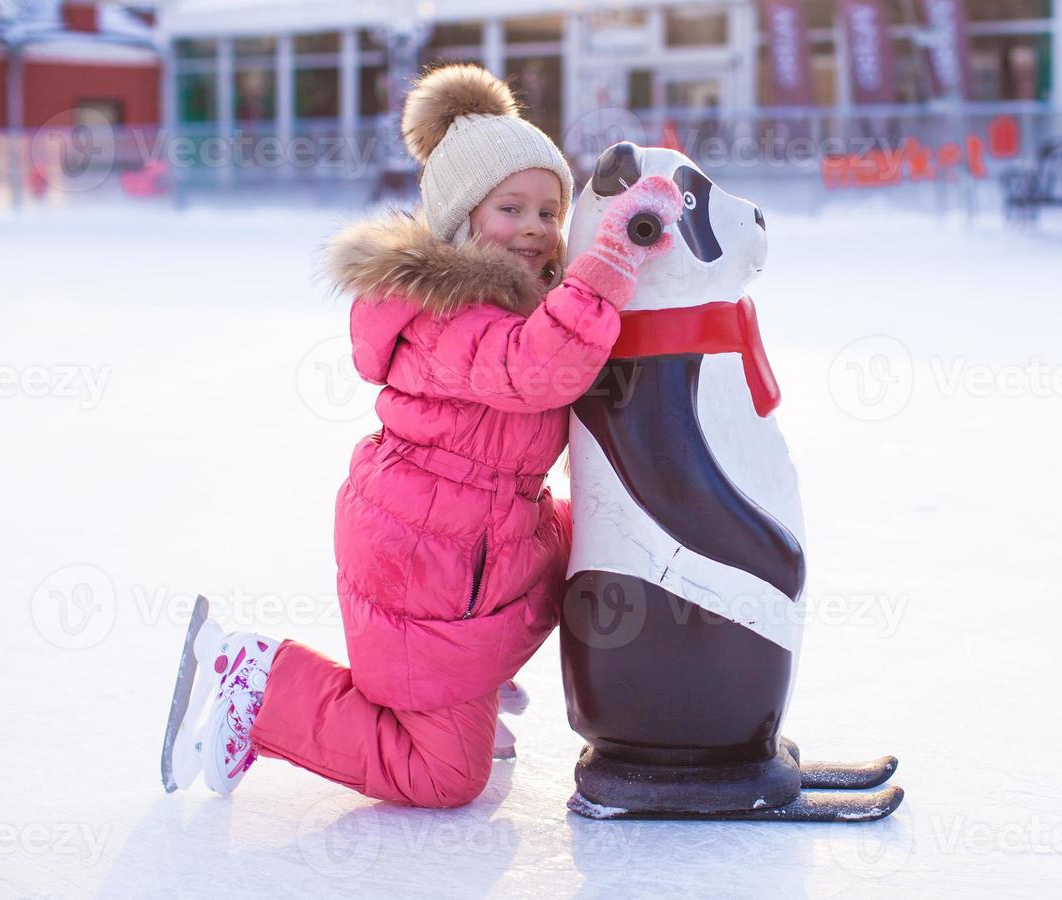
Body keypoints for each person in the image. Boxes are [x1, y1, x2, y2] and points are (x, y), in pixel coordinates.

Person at [162, 63, 682, 807]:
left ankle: (471, 681)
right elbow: (539, 370)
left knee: (594, 558)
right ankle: (263, 681)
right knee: (441, 778)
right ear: (462, 218)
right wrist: (610, 263)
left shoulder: (517, 302)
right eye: (511, 208)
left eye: (549, 210)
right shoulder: (449, 315)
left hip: (477, 539)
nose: (535, 229)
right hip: (426, 560)